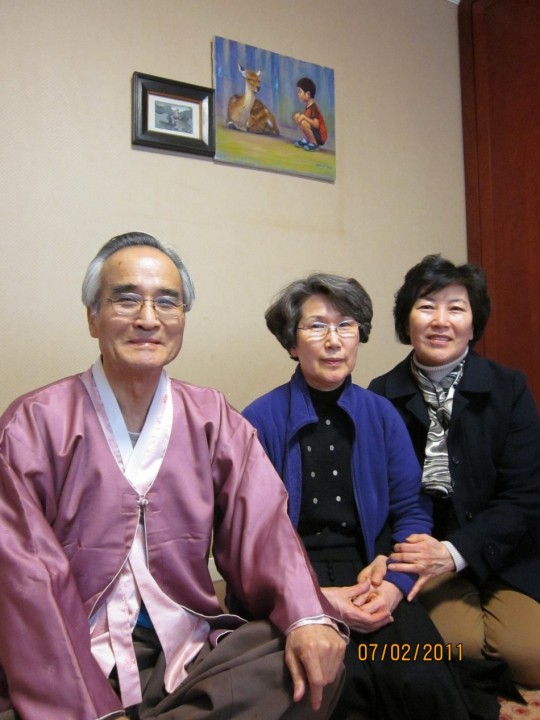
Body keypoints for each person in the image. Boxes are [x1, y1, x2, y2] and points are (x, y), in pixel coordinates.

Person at [0, 233, 347, 720]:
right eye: (126, 299)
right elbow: (25, 577)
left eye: (167, 302)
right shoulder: (33, 423)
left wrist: (306, 616)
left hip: (185, 648)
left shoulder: (212, 418)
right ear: (92, 317)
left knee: (302, 660)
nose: (148, 318)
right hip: (73, 651)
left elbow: (264, 527)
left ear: (182, 318)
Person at [241, 273, 487, 720]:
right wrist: (313, 599)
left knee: (422, 675)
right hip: (295, 576)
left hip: (372, 567)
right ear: (292, 343)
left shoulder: (382, 414)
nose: (333, 340)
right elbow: (249, 536)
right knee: (337, 683)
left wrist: (394, 585)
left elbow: (412, 511)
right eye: (317, 326)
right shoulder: (259, 419)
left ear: (360, 336)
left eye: (346, 326)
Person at [368, 254, 540, 687]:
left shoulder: (510, 388)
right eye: (426, 306)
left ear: (473, 321)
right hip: (422, 550)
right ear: (406, 319)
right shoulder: (381, 394)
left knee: (531, 657)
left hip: (506, 549)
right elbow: (378, 495)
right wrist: (408, 555)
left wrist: (456, 551)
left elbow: (525, 494)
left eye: (456, 308)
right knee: (452, 647)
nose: (440, 321)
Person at [292, 77, 328, 152]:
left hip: (320, 136)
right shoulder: (308, 106)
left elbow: (316, 124)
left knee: (303, 122)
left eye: (300, 92)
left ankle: (314, 144)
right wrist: (302, 117)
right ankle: (306, 139)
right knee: (297, 116)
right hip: (314, 132)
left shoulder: (313, 107)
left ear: (308, 94)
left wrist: (304, 117)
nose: (298, 94)